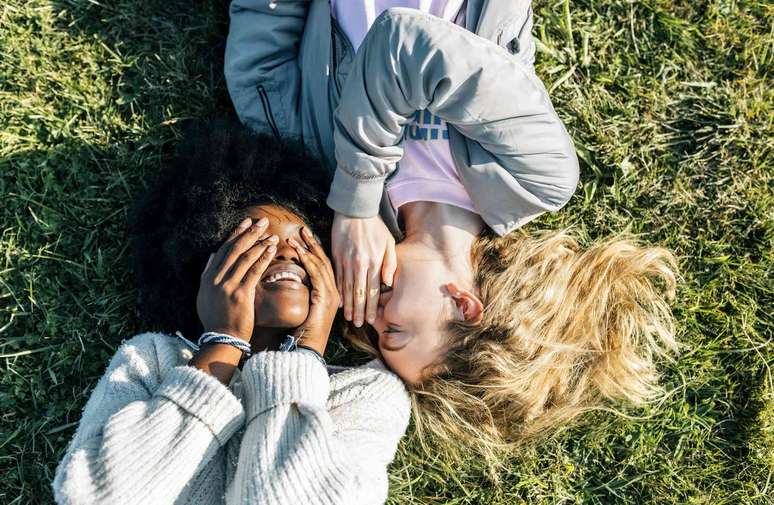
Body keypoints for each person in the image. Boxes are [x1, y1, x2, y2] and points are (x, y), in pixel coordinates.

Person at [225, 1, 678, 463]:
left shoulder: (321, 178)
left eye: (377, 336)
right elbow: (400, 42)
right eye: (395, 331)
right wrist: (358, 204)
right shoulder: (537, 177)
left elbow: (259, 68)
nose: (370, 318)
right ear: (463, 303)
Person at [52, 123, 410, 505]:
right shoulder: (150, 361)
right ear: (204, 270)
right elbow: (91, 496)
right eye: (256, 243)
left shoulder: (367, 396)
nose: (288, 253)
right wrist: (223, 343)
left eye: (306, 243)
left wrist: (305, 358)